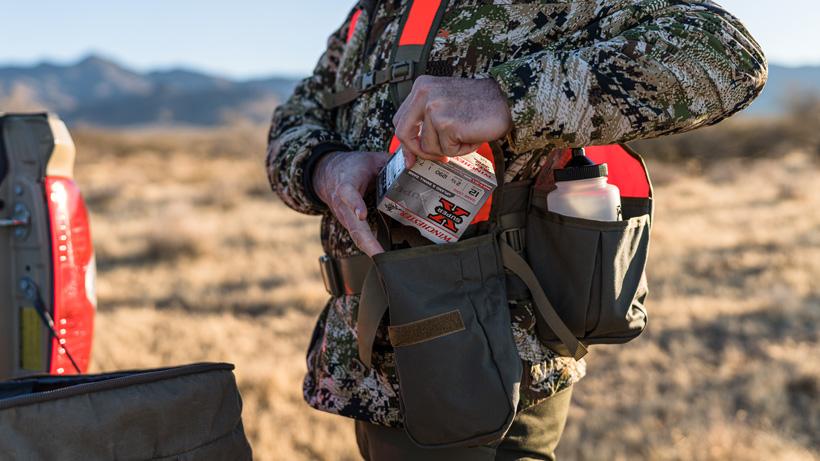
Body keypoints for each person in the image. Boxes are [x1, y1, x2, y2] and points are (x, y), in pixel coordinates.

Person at [267, 1, 766, 459]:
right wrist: (324, 168)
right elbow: (295, 117)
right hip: (367, 367)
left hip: (486, 367)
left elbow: (725, 54)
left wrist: (506, 98)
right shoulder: (373, 12)